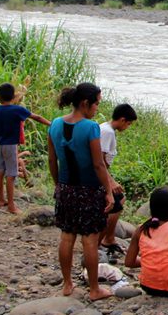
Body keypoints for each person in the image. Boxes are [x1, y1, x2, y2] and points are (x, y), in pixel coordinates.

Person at [47, 82, 116, 301]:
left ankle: (67, 284)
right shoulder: (91, 127)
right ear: (85, 103)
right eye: (96, 103)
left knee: (67, 237)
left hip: (66, 187)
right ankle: (94, 289)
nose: (97, 108)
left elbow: (52, 160)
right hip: (88, 189)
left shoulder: (55, 124)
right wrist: (108, 190)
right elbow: (98, 164)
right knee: (89, 239)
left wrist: (59, 184)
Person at [0, 82, 51, 214]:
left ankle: (1, 199)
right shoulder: (17, 110)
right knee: (11, 174)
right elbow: (37, 117)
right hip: (11, 145)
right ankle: (11, 205)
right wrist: (51, 124)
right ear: (13, 97)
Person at [98, 103, 137, 256]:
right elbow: (100, 161)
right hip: (99, 175)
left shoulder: (105, 128)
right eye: (128, 123)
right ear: (122, 120)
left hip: (101, 174)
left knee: (119, 200)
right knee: (116, 203)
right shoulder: (108, 132)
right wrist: (110, 182)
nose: (128, 127)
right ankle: (104, 239)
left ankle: (108, 237)